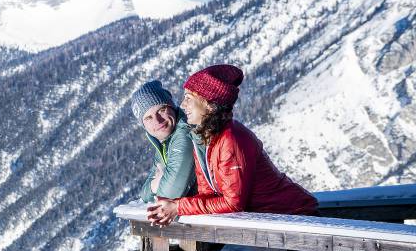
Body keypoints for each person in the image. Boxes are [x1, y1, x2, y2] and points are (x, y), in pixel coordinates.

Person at [146, 64, 316, 226]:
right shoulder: (204, 138)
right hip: (265, 221)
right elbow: (208, 193)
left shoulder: (230, 140)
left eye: (189, 99)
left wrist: (178, 207)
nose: (183, 105)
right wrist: (173, 205)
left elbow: (233, 203)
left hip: (293, 219)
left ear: (209, 105)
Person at [130, 80, 195, 203]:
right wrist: (155, 184)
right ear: (143, 125)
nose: (158, 121)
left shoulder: (185, 133)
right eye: (148, 118)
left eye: (161, 110)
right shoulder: (165, 141)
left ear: (172, 107)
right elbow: (144, 195)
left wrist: (156, 184)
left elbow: (169, 195)